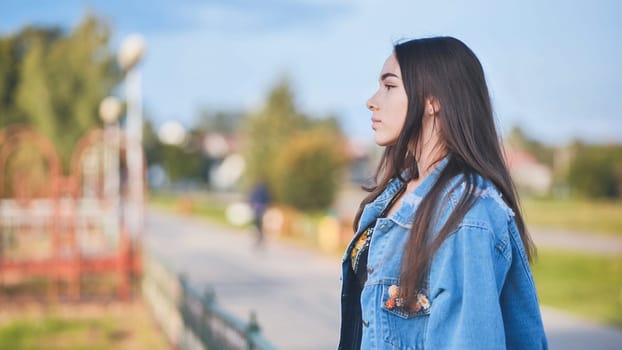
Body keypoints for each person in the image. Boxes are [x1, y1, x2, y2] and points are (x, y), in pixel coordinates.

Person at [338, 37, 548, 349]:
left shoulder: (466, 215)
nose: (372, 100)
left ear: (433, 100)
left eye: (390, 86)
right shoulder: (397, 195)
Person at [249, 180, 270, 246]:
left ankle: (260, 235)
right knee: (258, 222)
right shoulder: (264, 190)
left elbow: (252, 198)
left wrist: (252, 205)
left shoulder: (258, 190)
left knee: (258, 222)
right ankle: (260, 235)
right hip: (260, 208)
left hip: (258, 208)